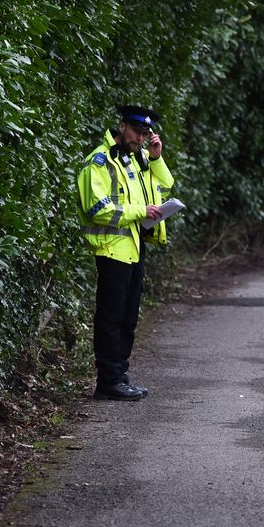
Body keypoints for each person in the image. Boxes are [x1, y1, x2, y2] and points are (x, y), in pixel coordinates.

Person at [76, 105, 175, 401]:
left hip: (134, 248)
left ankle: (119, 375)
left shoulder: (136, 160)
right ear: (121, 127)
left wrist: (155, 160)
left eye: (145, 134)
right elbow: (97, 209)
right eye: (135, 132)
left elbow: (164, 187)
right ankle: (108, 381)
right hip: (111, 250)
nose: (140, 139)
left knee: (128, 318)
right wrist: (139, 211)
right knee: (111, 318)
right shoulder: (99, 161)